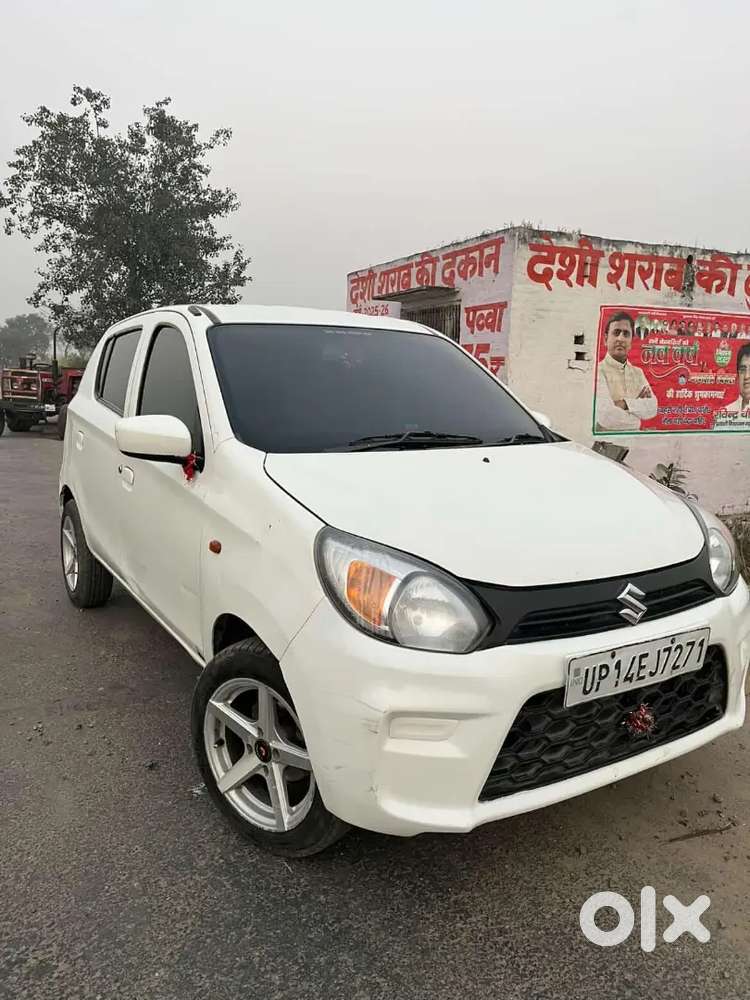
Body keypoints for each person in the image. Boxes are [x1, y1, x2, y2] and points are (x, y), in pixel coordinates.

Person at [595, 312, 658, 431]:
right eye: (616, 332)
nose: (621, 338)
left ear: (631, 342)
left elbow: (652, 407)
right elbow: (607, 416)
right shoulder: (598, 371)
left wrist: (624, 404)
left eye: (626, 334)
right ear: (605, 339)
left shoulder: (638, 373)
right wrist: (638, 420)